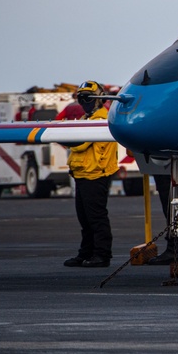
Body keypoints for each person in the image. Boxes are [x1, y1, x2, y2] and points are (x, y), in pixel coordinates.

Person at [63, 81, 118, 268]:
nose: (84, 101)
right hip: (83, 174)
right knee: (85, 218)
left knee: (96, 217)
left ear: (99, 99)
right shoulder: (88, 119)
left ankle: (102, 255)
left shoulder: (100, 119)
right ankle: (86, 253)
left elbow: (80, 144)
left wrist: (62, 136)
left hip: (96, 175)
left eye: (88, 97)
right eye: (81, 98)